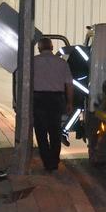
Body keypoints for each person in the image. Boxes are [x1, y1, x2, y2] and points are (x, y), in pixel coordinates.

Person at [32, 38, 74, 172]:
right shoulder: (62, 63)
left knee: (41, 132)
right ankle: (54, 162)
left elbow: (26, 82)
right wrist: (70, 102)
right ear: (52, 47)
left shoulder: (33, 62)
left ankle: (46, 162)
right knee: (55, 132)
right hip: (56, 99)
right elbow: (69, 85)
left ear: (39, 48)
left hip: (38, 99)